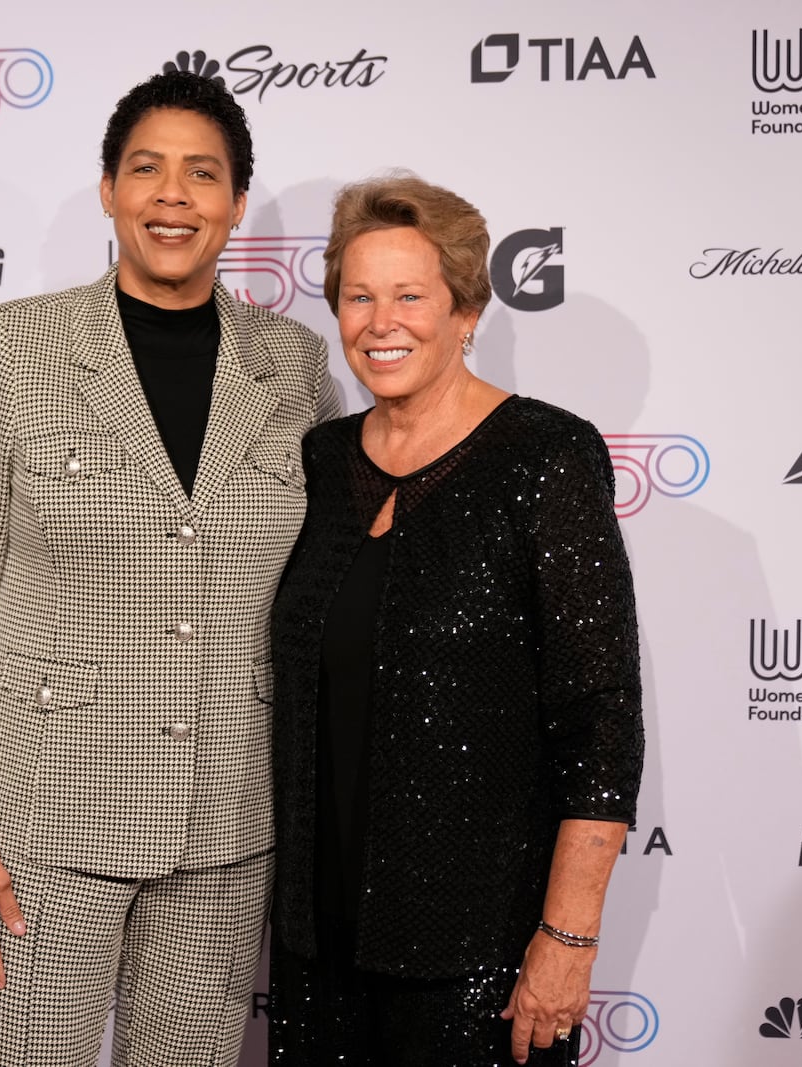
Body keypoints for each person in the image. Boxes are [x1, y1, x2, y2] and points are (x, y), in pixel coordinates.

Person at [0, 71, 340, 1067]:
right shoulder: (15, 346)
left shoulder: (296, 364)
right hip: (43, 824)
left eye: (202, 173)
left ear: (235, 202)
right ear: (108, 189)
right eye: (146, 169)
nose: (173, 195)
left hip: (228, 828)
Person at [268, 175, 643, 1066]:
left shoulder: (545, 455)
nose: (379, 320)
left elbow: (602, 718)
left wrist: (568, 938)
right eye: (358, 296)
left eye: (409, 295)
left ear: (466, 309)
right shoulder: (320, 462)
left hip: (481, 954)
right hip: (317, 950)